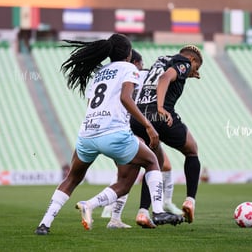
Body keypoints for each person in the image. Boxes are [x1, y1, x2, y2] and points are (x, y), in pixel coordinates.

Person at [34, 34, 183, 235]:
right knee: (151, 161)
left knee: (73, 178)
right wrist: (148, 125)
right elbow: (125, 98)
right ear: (129, 54)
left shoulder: (99, 73)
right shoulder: (130, 69)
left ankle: (44, 224)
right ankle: (157, 212)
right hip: (113, 134)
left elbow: (91, 105)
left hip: (87, 134)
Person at [102, 49, 182, 229]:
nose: (143, 66)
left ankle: (115, 216)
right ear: (134, 62)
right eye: (141, 63)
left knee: (127, 174)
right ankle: (153, 210)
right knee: (148, 168)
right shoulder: (138, 74)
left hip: (114, 127)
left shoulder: (117, 78)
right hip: (137, 127)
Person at [130, 45, 203, 226]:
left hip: (139, 117)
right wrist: (161, 108)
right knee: (192, 150)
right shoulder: (184, 62)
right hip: (159, 116)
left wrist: (187, 75)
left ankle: (142, 212)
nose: (193, 71)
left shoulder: (162, 60)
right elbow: (164, 78)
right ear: (192, 60)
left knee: (153, 162)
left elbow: (159, 75)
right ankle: (190, 201)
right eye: (196, 68)